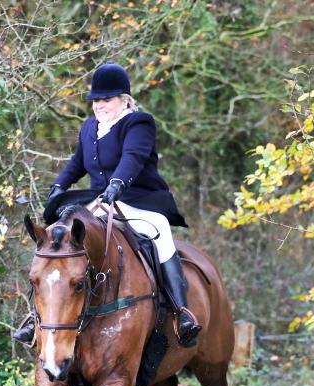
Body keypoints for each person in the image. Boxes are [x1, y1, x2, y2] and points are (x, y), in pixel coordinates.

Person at [14, 61, 202, 348]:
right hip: (99, 200)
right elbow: (77, 163)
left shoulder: (138, 123)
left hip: (136, 198)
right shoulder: (90, 127)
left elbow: (133, 157)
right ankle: (34, 317)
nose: (99, 105)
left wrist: (117, 184)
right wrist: (59, 186)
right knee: (55, 236)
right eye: (95, 100)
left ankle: (181, 311)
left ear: (124, 99)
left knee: (161, 231)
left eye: (106, 99)